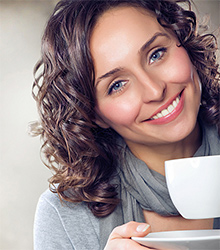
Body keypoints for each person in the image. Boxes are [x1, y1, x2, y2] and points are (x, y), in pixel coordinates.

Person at [32, 0, 220, 249]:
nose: (155, 90)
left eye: (156, 54)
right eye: (117, 85)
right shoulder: (65, 215)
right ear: (92, 114)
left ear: (183, 41)